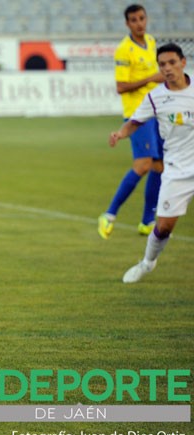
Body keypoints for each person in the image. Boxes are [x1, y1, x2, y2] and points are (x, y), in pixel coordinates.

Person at [109, 43, 192, 283]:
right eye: (162, 64)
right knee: (164, 227)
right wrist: (120, 134)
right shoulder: (155, 97)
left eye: (172, 63)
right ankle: (147, 263)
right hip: (176, 168)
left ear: (183, 62)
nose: (167, 68)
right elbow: (134, 122)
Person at [98, 4, 165, 240]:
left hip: (156, 110)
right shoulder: (124, 50)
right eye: (134, 20)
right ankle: (109, 214)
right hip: (138, 113)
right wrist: (151, 79)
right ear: (127, 24)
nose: (139, 23)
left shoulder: (151, 42)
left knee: (159, 166)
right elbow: (120, 86)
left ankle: (147, 220)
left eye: (142, 18)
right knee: (144, 164)